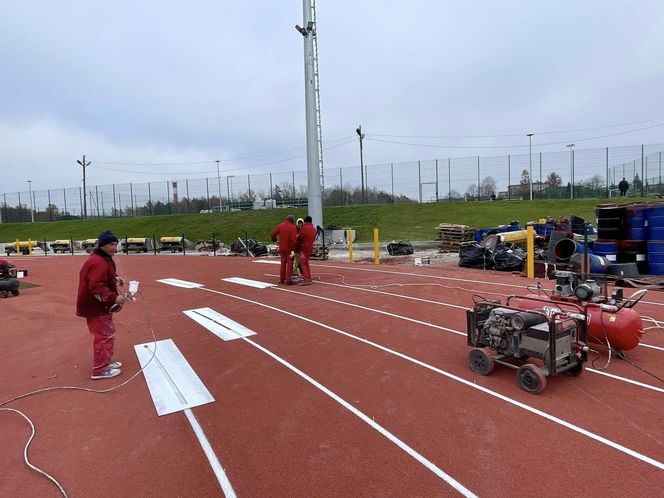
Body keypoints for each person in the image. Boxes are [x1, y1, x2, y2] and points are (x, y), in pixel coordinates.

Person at [76, 230, 130, 380]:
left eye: (115, 244)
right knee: (104, 335)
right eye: (111, 244)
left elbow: (104, 277)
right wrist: (114, 298)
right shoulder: (97, 261)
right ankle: (100, 370)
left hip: (99, 306)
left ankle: (105, 362)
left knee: (108, 333)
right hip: (95, 307)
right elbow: (97, 287)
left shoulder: (102, 258)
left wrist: (115, 279)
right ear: (102, 245)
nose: (114, 247)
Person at [270, 215, 298, 284]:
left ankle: (282, 279)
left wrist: (275, 240)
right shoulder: (293, 227)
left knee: (283, 263)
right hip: (289, 249)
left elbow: (272, 233)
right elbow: (293, 240)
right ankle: (288, 280)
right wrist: (293, 248)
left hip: (282, 247)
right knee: (290, 263)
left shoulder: (280, 225)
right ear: (292, 221)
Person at [296, 216, 318, 286]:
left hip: (304, 248)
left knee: (301, 263)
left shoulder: (304, 228)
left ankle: (306, 279)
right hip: (310, 248)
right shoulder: (314, 229)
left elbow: (300, 237)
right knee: (306, 263)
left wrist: (297, 238)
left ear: (305, 221)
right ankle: (309, 277)